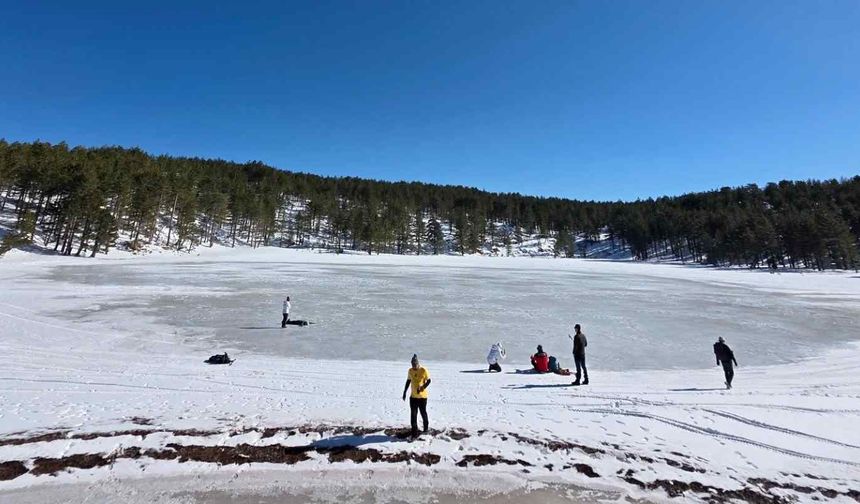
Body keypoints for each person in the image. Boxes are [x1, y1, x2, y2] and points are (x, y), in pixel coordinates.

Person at [402, 354, 431, 438]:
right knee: (413, 415)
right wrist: (404, 392)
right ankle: (414, 433)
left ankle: (426, 429)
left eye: (415, 364)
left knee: (423, 413)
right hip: (413, 397)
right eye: (412, 364)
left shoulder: (423, 370)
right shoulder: (410, 371)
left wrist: (422, 387)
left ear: (418, 363)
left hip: (422, 397)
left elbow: (429, 381)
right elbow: (408, 381)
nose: (414, 366)